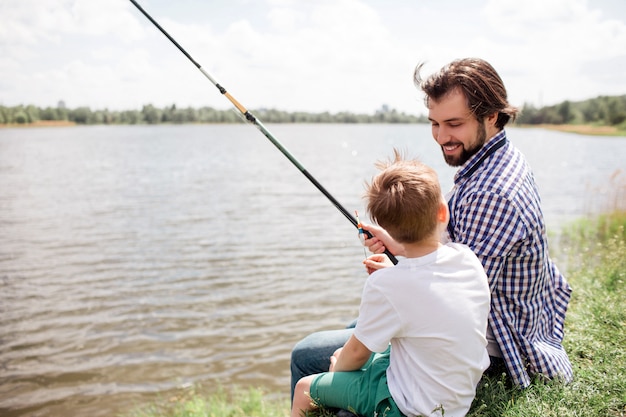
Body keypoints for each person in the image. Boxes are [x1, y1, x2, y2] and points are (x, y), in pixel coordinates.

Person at [290, 57, 573, 394]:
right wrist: (400, 246)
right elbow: (459, 256)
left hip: (494, 350)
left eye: (453, 123)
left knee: (307, 353)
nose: (442, 136)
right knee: (360, 325)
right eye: (434, 123)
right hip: (484, 321)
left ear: (491, 116)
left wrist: (397, 271)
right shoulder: (494, 158)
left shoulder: (493, 193)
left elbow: (455, 300)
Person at [291, 152, 491, 417]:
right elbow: (426, 270)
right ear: (442, 212)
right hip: (456, 399)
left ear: (386, 225)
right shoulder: (466, 258)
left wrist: (337, 369)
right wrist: (397, 247)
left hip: (408, 406)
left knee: (306, 387)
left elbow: (357, 354)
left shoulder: (387, 284)